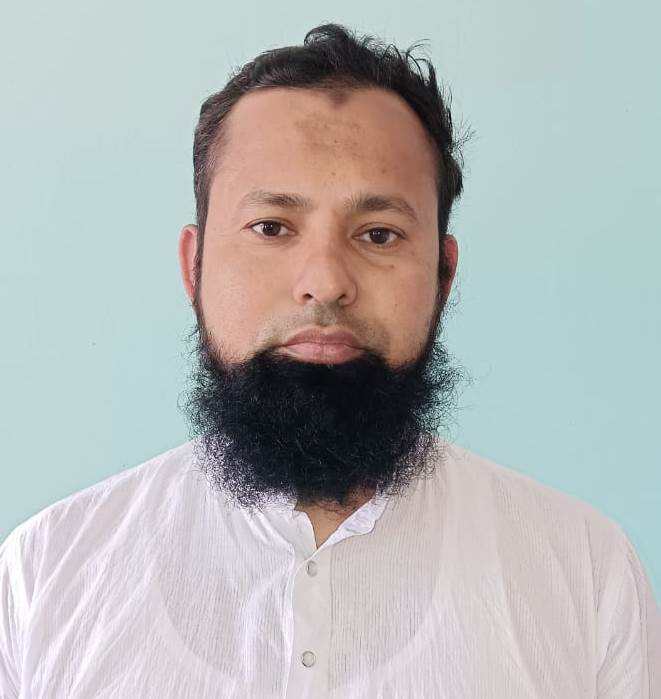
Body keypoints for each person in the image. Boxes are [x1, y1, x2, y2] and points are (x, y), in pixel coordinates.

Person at [1, 22, 659, 698]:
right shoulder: (44, 574)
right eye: (271, 227)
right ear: (194, 267)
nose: (324, 282)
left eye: (378, 234)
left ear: (443, 275)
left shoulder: (585, 573)